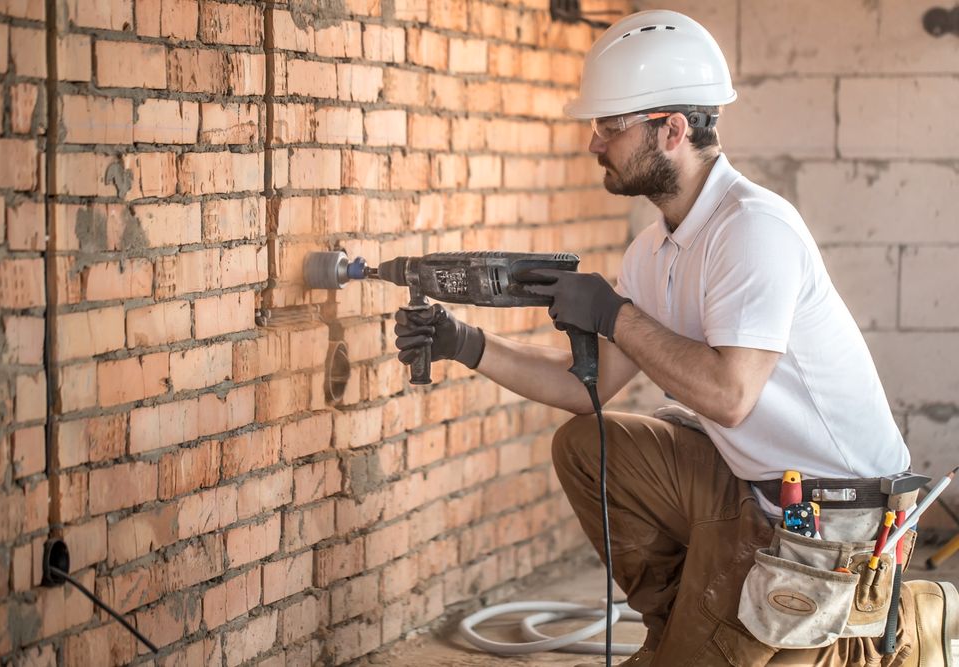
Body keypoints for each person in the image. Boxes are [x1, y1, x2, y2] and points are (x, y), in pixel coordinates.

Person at [394, 9, 958, 667]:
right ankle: (679, 624)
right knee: (587, 445)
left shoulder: (753, 230)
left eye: (610, 126)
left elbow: (729, 396)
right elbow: (591, 391)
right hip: (748, 485)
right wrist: (467, 343)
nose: (594, 144)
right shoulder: (652, 251)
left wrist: (614, 315)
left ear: (672, 130)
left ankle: (891, 631)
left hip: (839, 517)